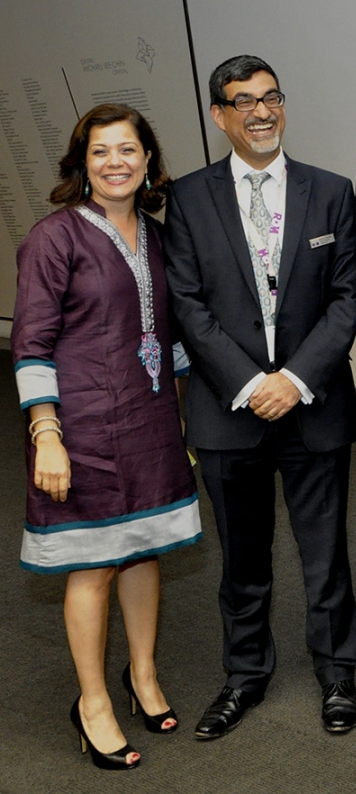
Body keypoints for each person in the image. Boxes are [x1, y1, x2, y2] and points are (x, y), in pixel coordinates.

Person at [164, 55, 356, 739]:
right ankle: (244, 676)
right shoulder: (187, 199)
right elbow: (188, 307)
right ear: (219, 115)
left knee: (324, 553)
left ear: (284, 104)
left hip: (314, 405)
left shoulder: (332, 191)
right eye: (242, 100)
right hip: (228, 412)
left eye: (271, 96)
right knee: (242, 561)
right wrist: (252, 386)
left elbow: (347, 298)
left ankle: (338, 674)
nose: (261, 111)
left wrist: (294, 381)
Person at [13, 103, 202, 769]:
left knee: (144, 549)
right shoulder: (53, 237)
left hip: (150, 422)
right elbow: (30, 343)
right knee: (91, 564)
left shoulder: (158, 236)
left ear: (149, 160)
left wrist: (179, 423)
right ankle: (92, 701)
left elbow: (170, 340)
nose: (116, 162)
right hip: (83, 426)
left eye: (128, 149)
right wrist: (46, 434)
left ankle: (142, 674)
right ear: (81, 163)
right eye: (101, 151)